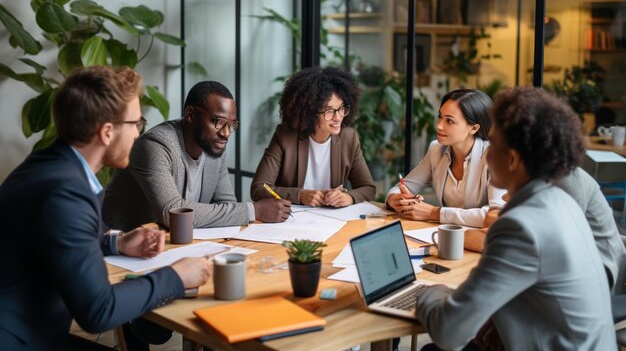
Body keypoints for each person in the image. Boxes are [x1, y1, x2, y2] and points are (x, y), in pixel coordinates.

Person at [0, 66, 212, 351]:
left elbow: (59, 239)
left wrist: (117, 242)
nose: (139, 133)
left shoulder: (51, 163)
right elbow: (98, 311)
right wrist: (176, 276)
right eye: (136, 123)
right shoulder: (65, 192)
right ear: (107, 132)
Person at [415, 87, 616, 351]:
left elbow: (449, 331)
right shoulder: (561, 201)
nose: (485, 153)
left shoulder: (521, 225)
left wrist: (426, 291)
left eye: (493, 144)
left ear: (512, 159)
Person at [102, 81, 292, 232]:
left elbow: (227, 204)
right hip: (121, 247)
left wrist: (237, 213)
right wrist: (254, 210)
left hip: (175, 246)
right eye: (218, 122)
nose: (226, 133)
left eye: (232, 125)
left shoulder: (212, 148)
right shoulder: (155, 145)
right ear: (190, 114)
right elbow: (172, 213)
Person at [465, 166, 626, 294]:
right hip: (566, 266)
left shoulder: (567, 178)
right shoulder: (534, 176)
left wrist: (495, 242)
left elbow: (552, 246)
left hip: (599, 273)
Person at [251, 66, 375, 207]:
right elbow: (259, 188)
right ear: (309, 112)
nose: (338, 117)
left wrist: (349, 197)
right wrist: (300, 195)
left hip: (334, 221)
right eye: (329, 111)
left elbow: (369, 188)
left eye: (341, 108)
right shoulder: (285, 137)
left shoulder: (349, 138)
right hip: (293, 220)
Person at [386, 89, 505, 227]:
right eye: (440, 117)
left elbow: (496, 216)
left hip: (481, 242)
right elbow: (403, 187)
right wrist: (395, 199)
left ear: (474, 128)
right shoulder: (436, 150)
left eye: (449, 121)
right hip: (445, 236)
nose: (439, 126)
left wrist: (435, 213)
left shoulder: (495, 156)